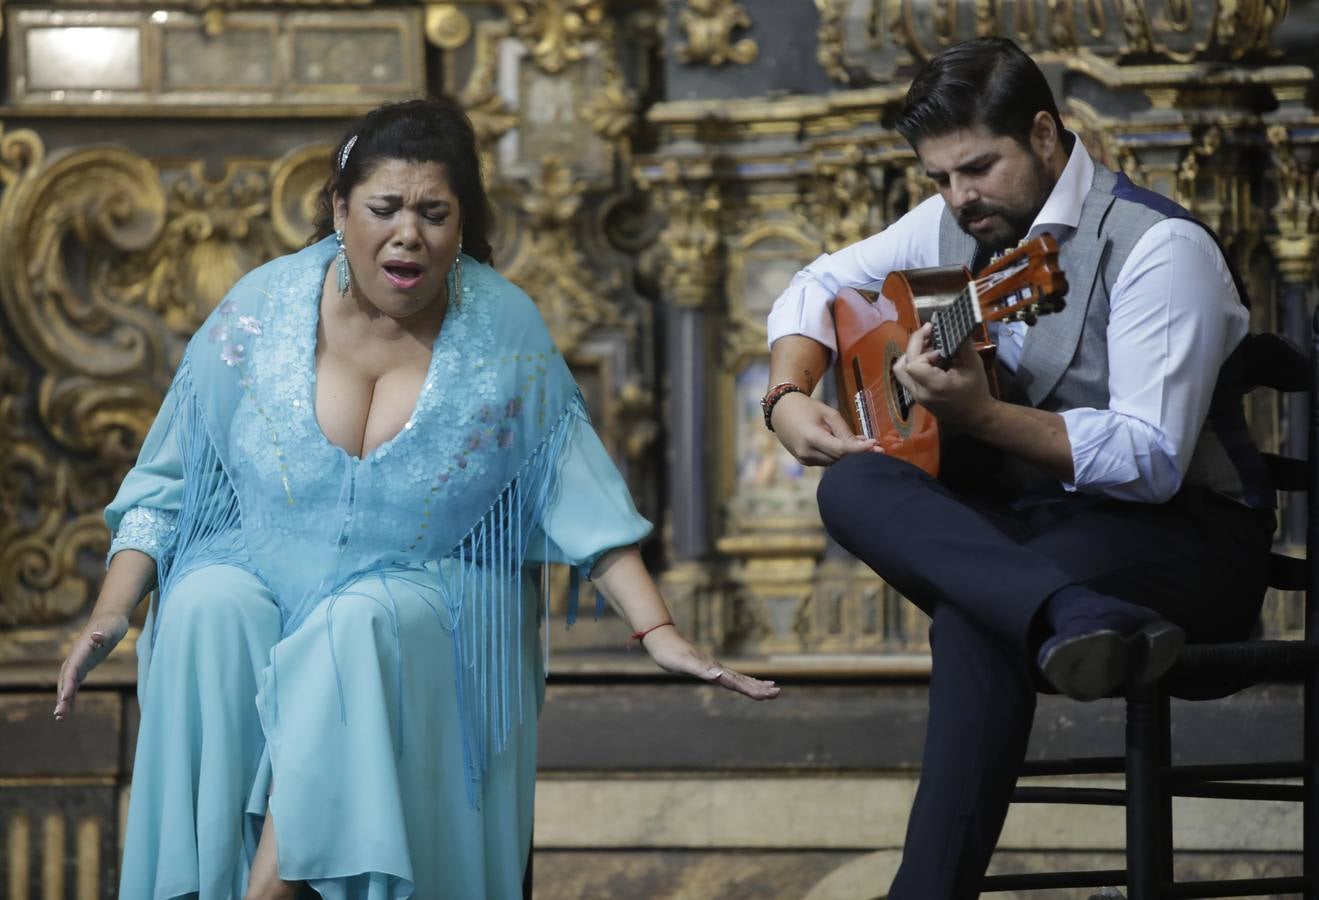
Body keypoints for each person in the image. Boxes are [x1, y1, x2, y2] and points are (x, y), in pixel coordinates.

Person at [53, 96, 779, 900]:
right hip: (261, 563)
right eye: (385, 208)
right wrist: (108, 615)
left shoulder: (503, 327)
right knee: (205, 606)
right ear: (339, 209)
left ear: (461, 221)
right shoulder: (259, 308)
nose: (409, 233)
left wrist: (659, 630)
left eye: (434, 212)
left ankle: (272, 892)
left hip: (431, 585)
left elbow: (581, 501)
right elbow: (167, 484)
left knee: (355, 624)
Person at [762, 37, 1274, 897]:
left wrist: (982, 418)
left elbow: (1150, 463)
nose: (958, 199)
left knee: (977, 612)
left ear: (1043, 136)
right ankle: (1069, 613)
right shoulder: (956, 223)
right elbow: (814, 282)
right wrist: (784, 395)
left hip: (1188, 542)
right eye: (938, 179)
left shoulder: (1158, 247)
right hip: (1051, 542)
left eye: (976, 168)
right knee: (850, 481)